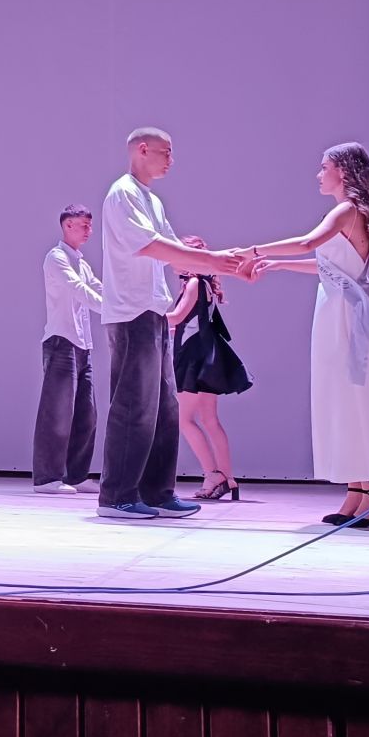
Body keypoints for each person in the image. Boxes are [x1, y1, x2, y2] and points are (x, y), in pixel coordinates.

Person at [239, 142, 369, 527]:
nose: (318, 174)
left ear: (342, 172)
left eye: (324, 167)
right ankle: (359, 490)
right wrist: (277, 264)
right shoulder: (353, 212)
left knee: (357, 400)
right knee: (345, 401)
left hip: (348, 316)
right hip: (340, 310)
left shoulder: (345, 210)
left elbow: (308, 243)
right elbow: (330, 267)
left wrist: (253, 250)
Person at [97, 128, 251, 520]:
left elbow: (176, 255)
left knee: (165, 408)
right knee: (133, 405)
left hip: (152, 310)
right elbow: (149, 246)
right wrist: (214, 261)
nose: (171, 159)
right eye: (165, 152)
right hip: (131, 312)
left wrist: (225, 265)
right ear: (142, 150)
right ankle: (116, 496)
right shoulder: (123, 193)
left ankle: (156, 493)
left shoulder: (151, 200)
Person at [167, 234, 252, 500]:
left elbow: (177, 317)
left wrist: (146, 316)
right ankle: (228, 478)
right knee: (209, 420)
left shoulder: (193, 283)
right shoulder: (204, 283)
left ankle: (212, 475)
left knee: (184, 420)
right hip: (206, 355)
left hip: (193, 357)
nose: (171, 260)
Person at [33, 204, 103, 494]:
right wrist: (113, 310)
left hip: (83, 345)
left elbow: (98, 287)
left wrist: (126, 306)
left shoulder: (82, 263)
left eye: (90, 225)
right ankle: (47, 478)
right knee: (57, 413)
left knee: (87, 414)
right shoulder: (57, 257)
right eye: (83, 225)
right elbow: (79, 290)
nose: (89, 230)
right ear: (67, 226)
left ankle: (76, 475)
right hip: (61, 342)